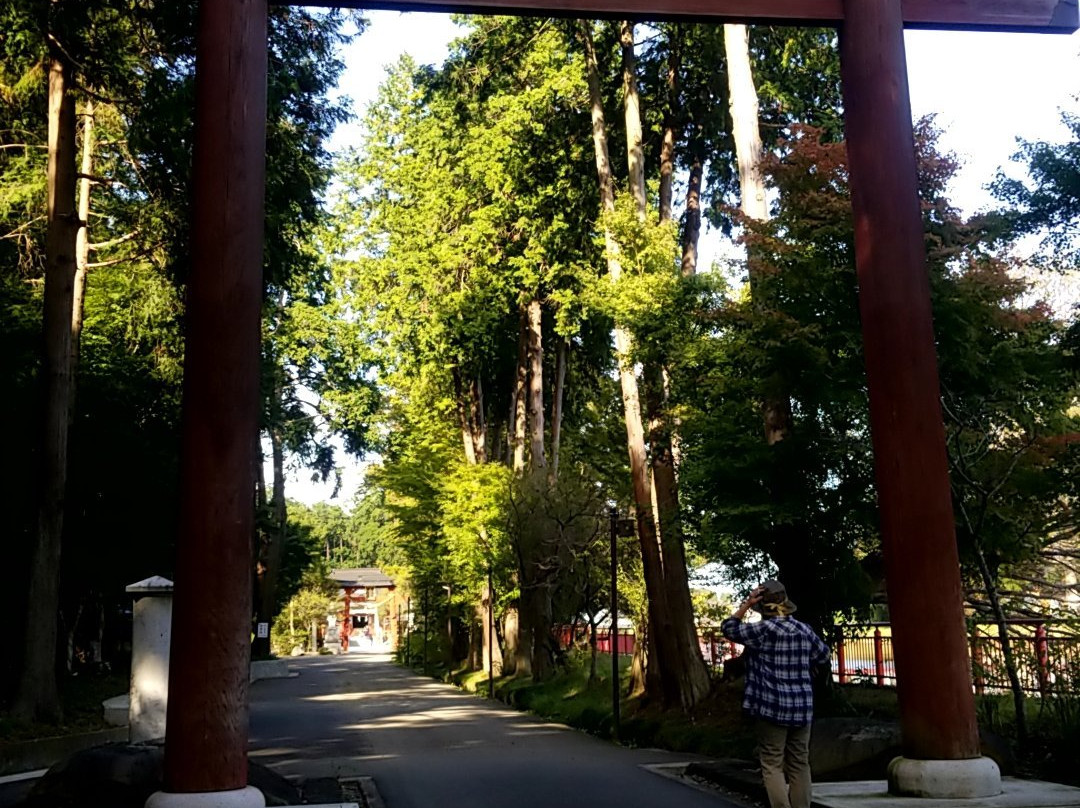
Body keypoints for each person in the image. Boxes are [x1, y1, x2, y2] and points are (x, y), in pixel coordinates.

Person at [721, 580, 830, 808]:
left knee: (772, 762)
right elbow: (823, 655)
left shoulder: (763, 630)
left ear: (762, 606)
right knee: (800, 762)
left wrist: (745, 605)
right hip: (802, 706)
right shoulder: (804, 630)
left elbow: (729, 628)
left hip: (772, 706)